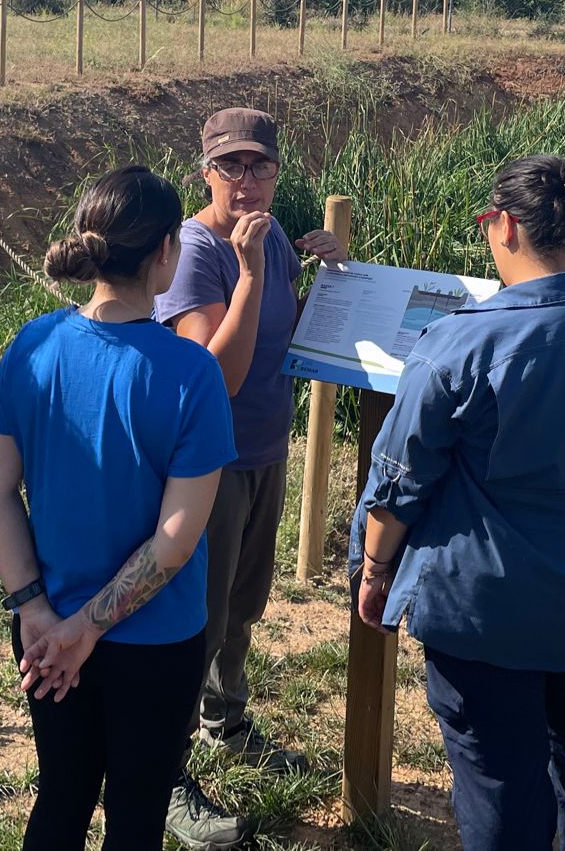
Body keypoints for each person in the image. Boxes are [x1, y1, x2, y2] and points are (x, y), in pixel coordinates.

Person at [351, 155, 565, 851]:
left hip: (488, 615)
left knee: (500, 778)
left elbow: (399, 480)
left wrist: (375, 568)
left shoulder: (457, 344)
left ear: (504, 225)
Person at [0, 166, 236, 851]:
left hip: (43, 632)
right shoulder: (191, 372)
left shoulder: (32, 345)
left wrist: (36, 610)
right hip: (155, 642)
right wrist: (89, 631)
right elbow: (175, 543)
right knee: (138, 812)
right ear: (165, 255)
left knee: (60, 797)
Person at [152, 107, 348, 848]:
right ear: (204, 172)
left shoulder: (271, 242)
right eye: (230, 166)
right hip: (210, 464)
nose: (247, 181)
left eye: (260, 166)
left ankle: (225, 722)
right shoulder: (200, 250)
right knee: (195, 616)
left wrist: (338, 274)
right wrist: (252, 269)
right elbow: (214, 374)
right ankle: (162, 770)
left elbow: (294, 338)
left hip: (265, 450)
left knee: (242, 604)